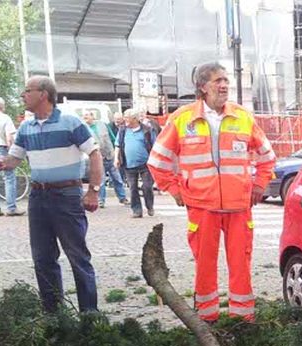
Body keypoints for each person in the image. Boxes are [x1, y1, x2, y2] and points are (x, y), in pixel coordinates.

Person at [147, 62, 276, 322]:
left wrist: (260, 185)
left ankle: (243, 321)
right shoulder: (183, 118)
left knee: (241, 266)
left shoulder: (243, 117)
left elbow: (267, 157)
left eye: (226, 80)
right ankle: (207, 321)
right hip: (202, 207)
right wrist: (173, 189)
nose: (224, 85)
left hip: (238, 208)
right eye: (218, 80)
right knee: (204, 267)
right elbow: (157, 161)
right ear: (202, 87)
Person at [0, 76, 104, 313]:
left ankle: (89, 314)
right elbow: (14, 159)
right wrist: (1, 163)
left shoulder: (70, 122)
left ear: (43, 94)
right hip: (38, 197)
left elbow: (94, 153)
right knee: (43, 258)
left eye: (27, 90)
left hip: (67, 195)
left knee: (78, 256)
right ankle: (53, 315)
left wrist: (93, 191)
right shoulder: (26, 126)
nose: (22, 95)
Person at [82, 110, 127, 208]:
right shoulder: (84, 129)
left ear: (92, 116)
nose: (84, 117)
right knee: (100, 181)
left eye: (86, 115)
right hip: (98, 159)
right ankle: (101, 200)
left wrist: (116, 152)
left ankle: (123, 198)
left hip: (110, 155)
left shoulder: (103, 125)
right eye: (83, 116)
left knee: (117, 178)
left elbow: (112, 137)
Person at [115, 108, 155, 218]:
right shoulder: (122, 130)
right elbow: (118, 145)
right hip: (129, 164)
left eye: (127, 118)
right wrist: (116, 158)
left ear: (135, 119)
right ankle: (136, 210)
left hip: (145, 164)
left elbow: (154, 146)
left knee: (147, 187)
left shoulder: (147, 130)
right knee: (133, 188)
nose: (125, 120)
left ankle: (149, 206)